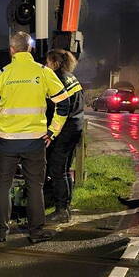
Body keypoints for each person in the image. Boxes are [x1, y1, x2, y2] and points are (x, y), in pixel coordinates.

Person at [0, 32, 71, 243]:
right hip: (35, 142)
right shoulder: (43, 72)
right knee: (35, 187)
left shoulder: (1, 75)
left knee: (3, 187)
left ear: (11, 50)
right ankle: (36, 232)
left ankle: (1, 232)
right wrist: (52, 131)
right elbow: (64, 104)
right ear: (30, 49)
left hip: (6, 142)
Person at [43, 49, 85, 223]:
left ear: (55, 62)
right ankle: (66, 208)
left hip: (64, 130)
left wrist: (51, 131)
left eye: (47, 62)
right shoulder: (71, 77)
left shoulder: (56, 78)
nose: (45, 66)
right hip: (75, 128)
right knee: (66, 170)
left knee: (57, 170)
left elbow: (58, 107)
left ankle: (61, 211)